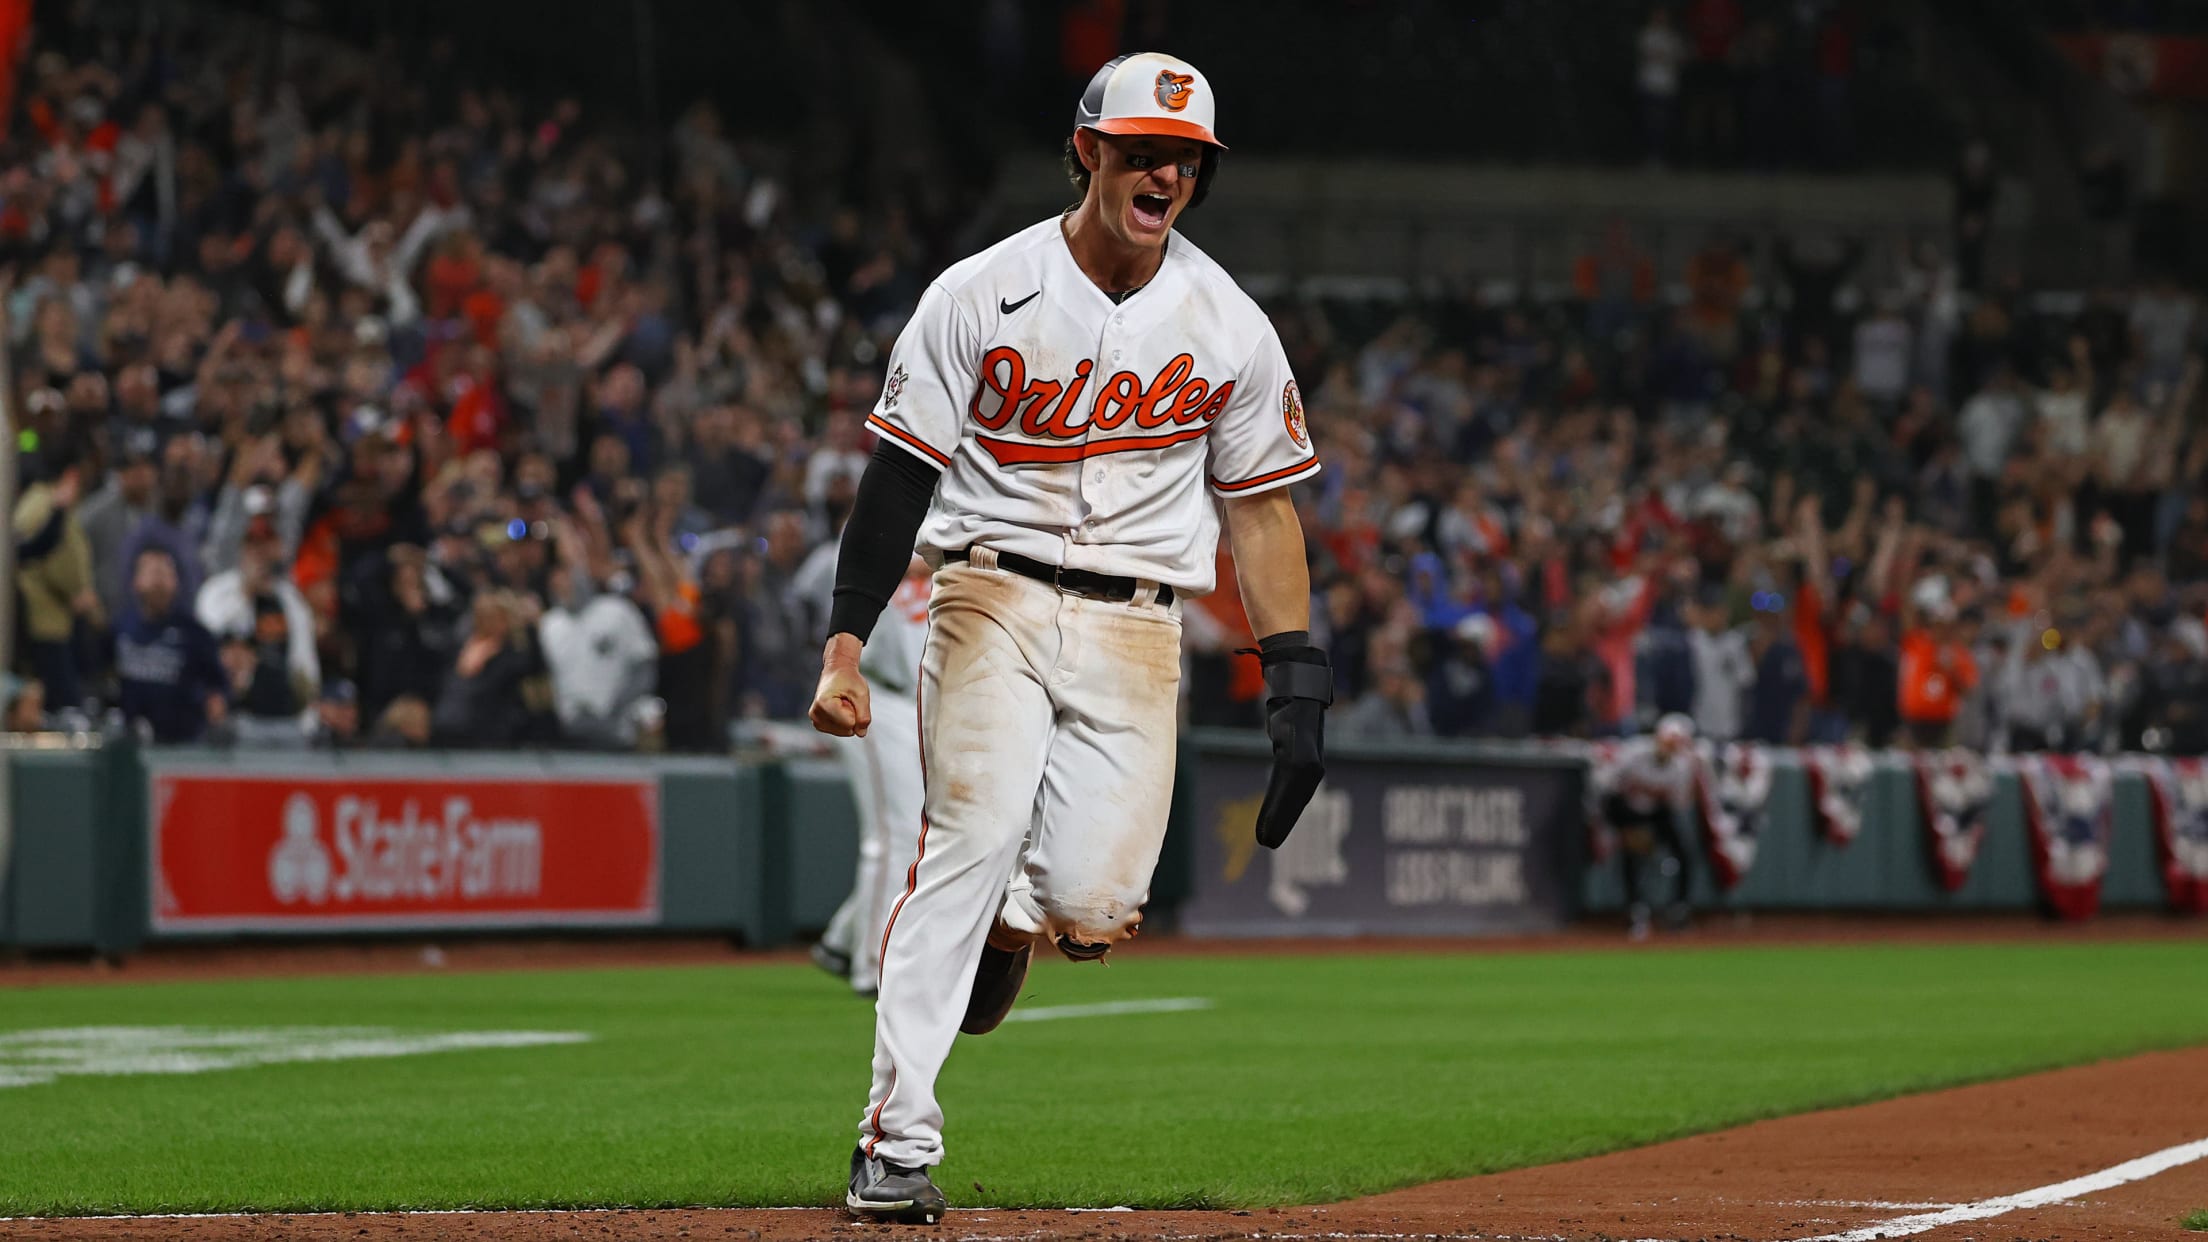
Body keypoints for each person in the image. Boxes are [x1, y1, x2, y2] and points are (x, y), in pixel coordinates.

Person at [807, 53, 1327, 1224]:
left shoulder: (1228, 322)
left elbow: (1262, 505)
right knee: (967, 838)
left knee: (1093, 907)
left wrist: (1297, 677)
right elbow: (896, 483)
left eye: (1185, 156)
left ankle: (1016, 924)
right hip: (988, 594)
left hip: (1140, 623)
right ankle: (894, 1144)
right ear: (1086, 150)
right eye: (1143, 148)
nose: (1166, 171)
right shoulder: (977, 292)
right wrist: (845, 647)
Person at [814, 558, 931, 998]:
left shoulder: (957, 519)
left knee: (919, 835)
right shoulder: (874, 529)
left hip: (922, 701)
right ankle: (871, 964)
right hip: (873, 695)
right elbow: (860, 561)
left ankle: (842, 939)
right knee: (894, 833)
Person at [1596, 713, 1701, 940]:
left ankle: (1678, 910)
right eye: (1667, 740)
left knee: (1684, 852)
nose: (1669, 746)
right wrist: (1621, 825)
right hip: (1626, 811)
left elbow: (1678, 805)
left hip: (1657, 814)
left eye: (1676, 742)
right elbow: (1607, 788)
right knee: (1634, 855)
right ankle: (1636, 913)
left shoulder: (1682, 767)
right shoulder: (1633, 753)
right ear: (1657, 738)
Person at [114, 545, 229, 743]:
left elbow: (218, 682)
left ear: (176, 581)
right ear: (136, 581)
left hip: (180, 743)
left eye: (166, 573)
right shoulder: (121, 627)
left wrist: (217, 699)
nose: (159, 582)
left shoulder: (194, 633)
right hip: (130, 741)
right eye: (152, 572)